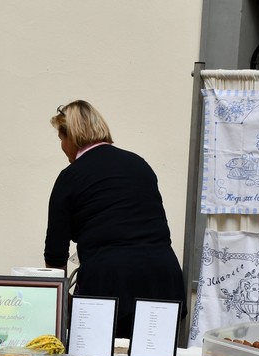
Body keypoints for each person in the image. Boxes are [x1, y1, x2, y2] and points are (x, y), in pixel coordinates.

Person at [45, 100, 186, 338]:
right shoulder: (139, 164)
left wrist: (60, 303)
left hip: (109, 283)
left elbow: (56, 251)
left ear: (72, 136)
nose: (61, 146)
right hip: (164, 279)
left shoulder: (71, 176)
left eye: (61, 138)